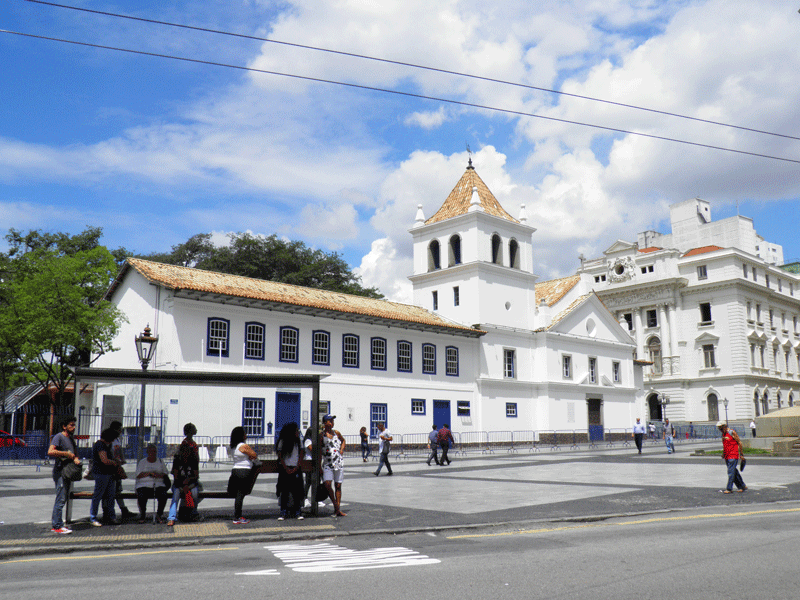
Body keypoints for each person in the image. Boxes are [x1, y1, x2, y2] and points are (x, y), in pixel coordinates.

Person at [48, 416, 82, 534]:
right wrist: (66, 454)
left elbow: (75, 454)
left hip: (68, 471)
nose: (73, 427)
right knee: (61, 498)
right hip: (60, 472)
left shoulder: (71, 439)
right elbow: (50, 451)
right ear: (64, 426)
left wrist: (76, 459)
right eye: (71, 425)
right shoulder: (59, 437)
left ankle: (58, 524)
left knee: (64, 498)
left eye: (74, 425)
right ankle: (57, 525)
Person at [167, 423, 201, 526]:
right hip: (180, 483)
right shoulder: (179, 457)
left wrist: (188, 484)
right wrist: (183, 485)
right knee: (176, 495)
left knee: (194, 493)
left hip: (190, 483)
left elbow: (195, 474)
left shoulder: (192, 458)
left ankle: (192, 512)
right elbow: (176, 476)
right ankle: (172, 516)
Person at [89, 428, 121, 527]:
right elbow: (104, 460)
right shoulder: (100, 445)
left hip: (109, 474)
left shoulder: (107, 445)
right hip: (101, 473)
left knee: (111, 495)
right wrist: (114, 462)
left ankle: (111, 516)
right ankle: (93, 517)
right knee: (98, 495)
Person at [229, 426, 259, 524]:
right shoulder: (243, 446)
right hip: (244, 471)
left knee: (239, 494)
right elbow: (254, 455)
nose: (246, 435)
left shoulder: (233, 446)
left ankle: (237, 516)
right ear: (241, 435)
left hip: (235, 471)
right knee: (240, 495)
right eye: (244, 433)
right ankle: (237, 517)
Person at [134, 443, 169, 523]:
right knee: (141, 496)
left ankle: (159, 515)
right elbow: (138, 475)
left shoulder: (160, 461)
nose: (152, 454)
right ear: (147, 452)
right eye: (150, 452)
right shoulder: (142, 462)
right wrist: (149, 474)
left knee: (163, 495)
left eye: (154, 452)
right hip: (144, 485)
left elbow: (165, 473)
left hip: (158, 485)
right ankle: (142, 515)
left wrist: (158, 475)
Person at [275, 422, 304, 520]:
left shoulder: (299, 441)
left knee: (297, 491)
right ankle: (283, 511)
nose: (298, 432)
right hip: (285, 468)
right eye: (296, 430)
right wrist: (286, 468)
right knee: (284, 491)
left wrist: (297, 467)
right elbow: (280, 456)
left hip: (295, 468)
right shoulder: (283, 441)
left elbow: (301, 454)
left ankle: (298, 511)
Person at [320, 414, 346, 517]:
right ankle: (336, 505)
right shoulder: (322, 436)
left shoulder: (337, 433)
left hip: (338, 462)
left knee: (338, 485)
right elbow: (318, 451)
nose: (331, 423)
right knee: (327, 484)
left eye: (332, 421)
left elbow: (343, 440)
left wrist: (342, 449)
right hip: (327, 463)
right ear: (325, 423)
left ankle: (337, 509)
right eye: (329, 421)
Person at [110, 420, 134, 520]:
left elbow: (120, 451)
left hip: (117, 467)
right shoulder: (110, 440)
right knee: (111, 491)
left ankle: (123, 509)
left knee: (118, 490)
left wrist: (122, 459)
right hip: (111, 468)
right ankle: (109, 511)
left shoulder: (117, 440)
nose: (120, 432)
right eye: (119, 429)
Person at [717, 421, 747, 493]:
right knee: (734, 472)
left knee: (730, 472)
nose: (720, 430)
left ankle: (729, 488)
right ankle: (742, 486)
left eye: (721, 428)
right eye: (719, 429)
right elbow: (725, 445)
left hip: (733, 455)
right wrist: (723, 454)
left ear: (725, 426)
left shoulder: (732, 432)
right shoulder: (723, 435)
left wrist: (741, 454)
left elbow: (739, 443)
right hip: (727, 456)